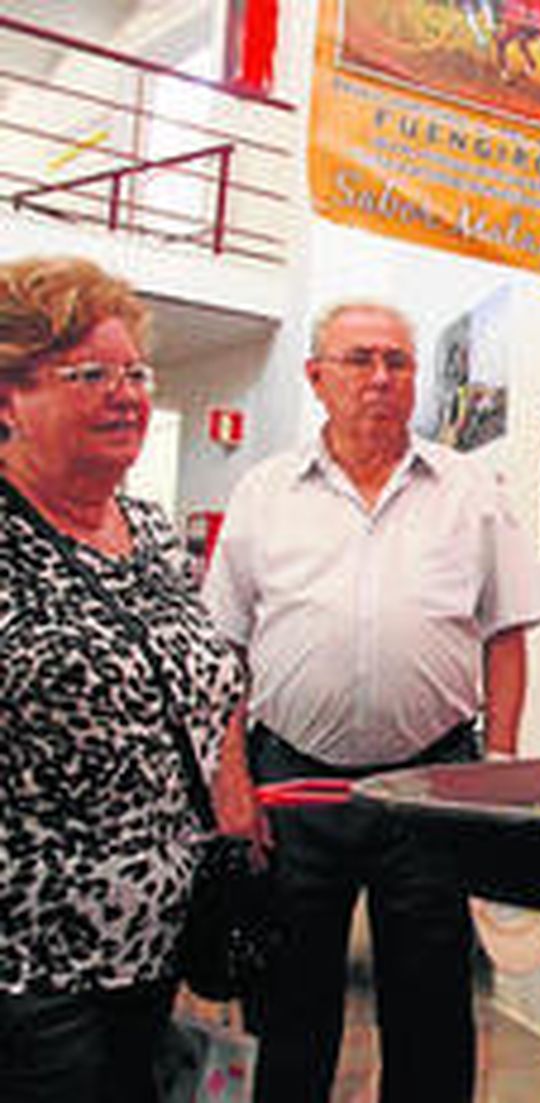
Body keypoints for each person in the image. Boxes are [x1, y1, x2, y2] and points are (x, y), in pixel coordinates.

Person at [203, 301, 540, 1103]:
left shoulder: (469, 489)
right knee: (291, 1014)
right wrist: (230, 778)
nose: (382, 378)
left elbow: (507, 634)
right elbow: (221, 652)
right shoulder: (264, 493)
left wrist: (497, 768)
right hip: (293, 784)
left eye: (398, 361)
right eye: (359, 360)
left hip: (430, 790)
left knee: (431, 1012)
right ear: (315, 375)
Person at [0, 256, 246, 1102]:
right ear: (8, 398)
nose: (127, 393)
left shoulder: (147, 529)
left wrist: (229, 780)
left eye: (135, 372)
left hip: (156, 946)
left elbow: (205, 672)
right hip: (29, 963)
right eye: (90, 374)